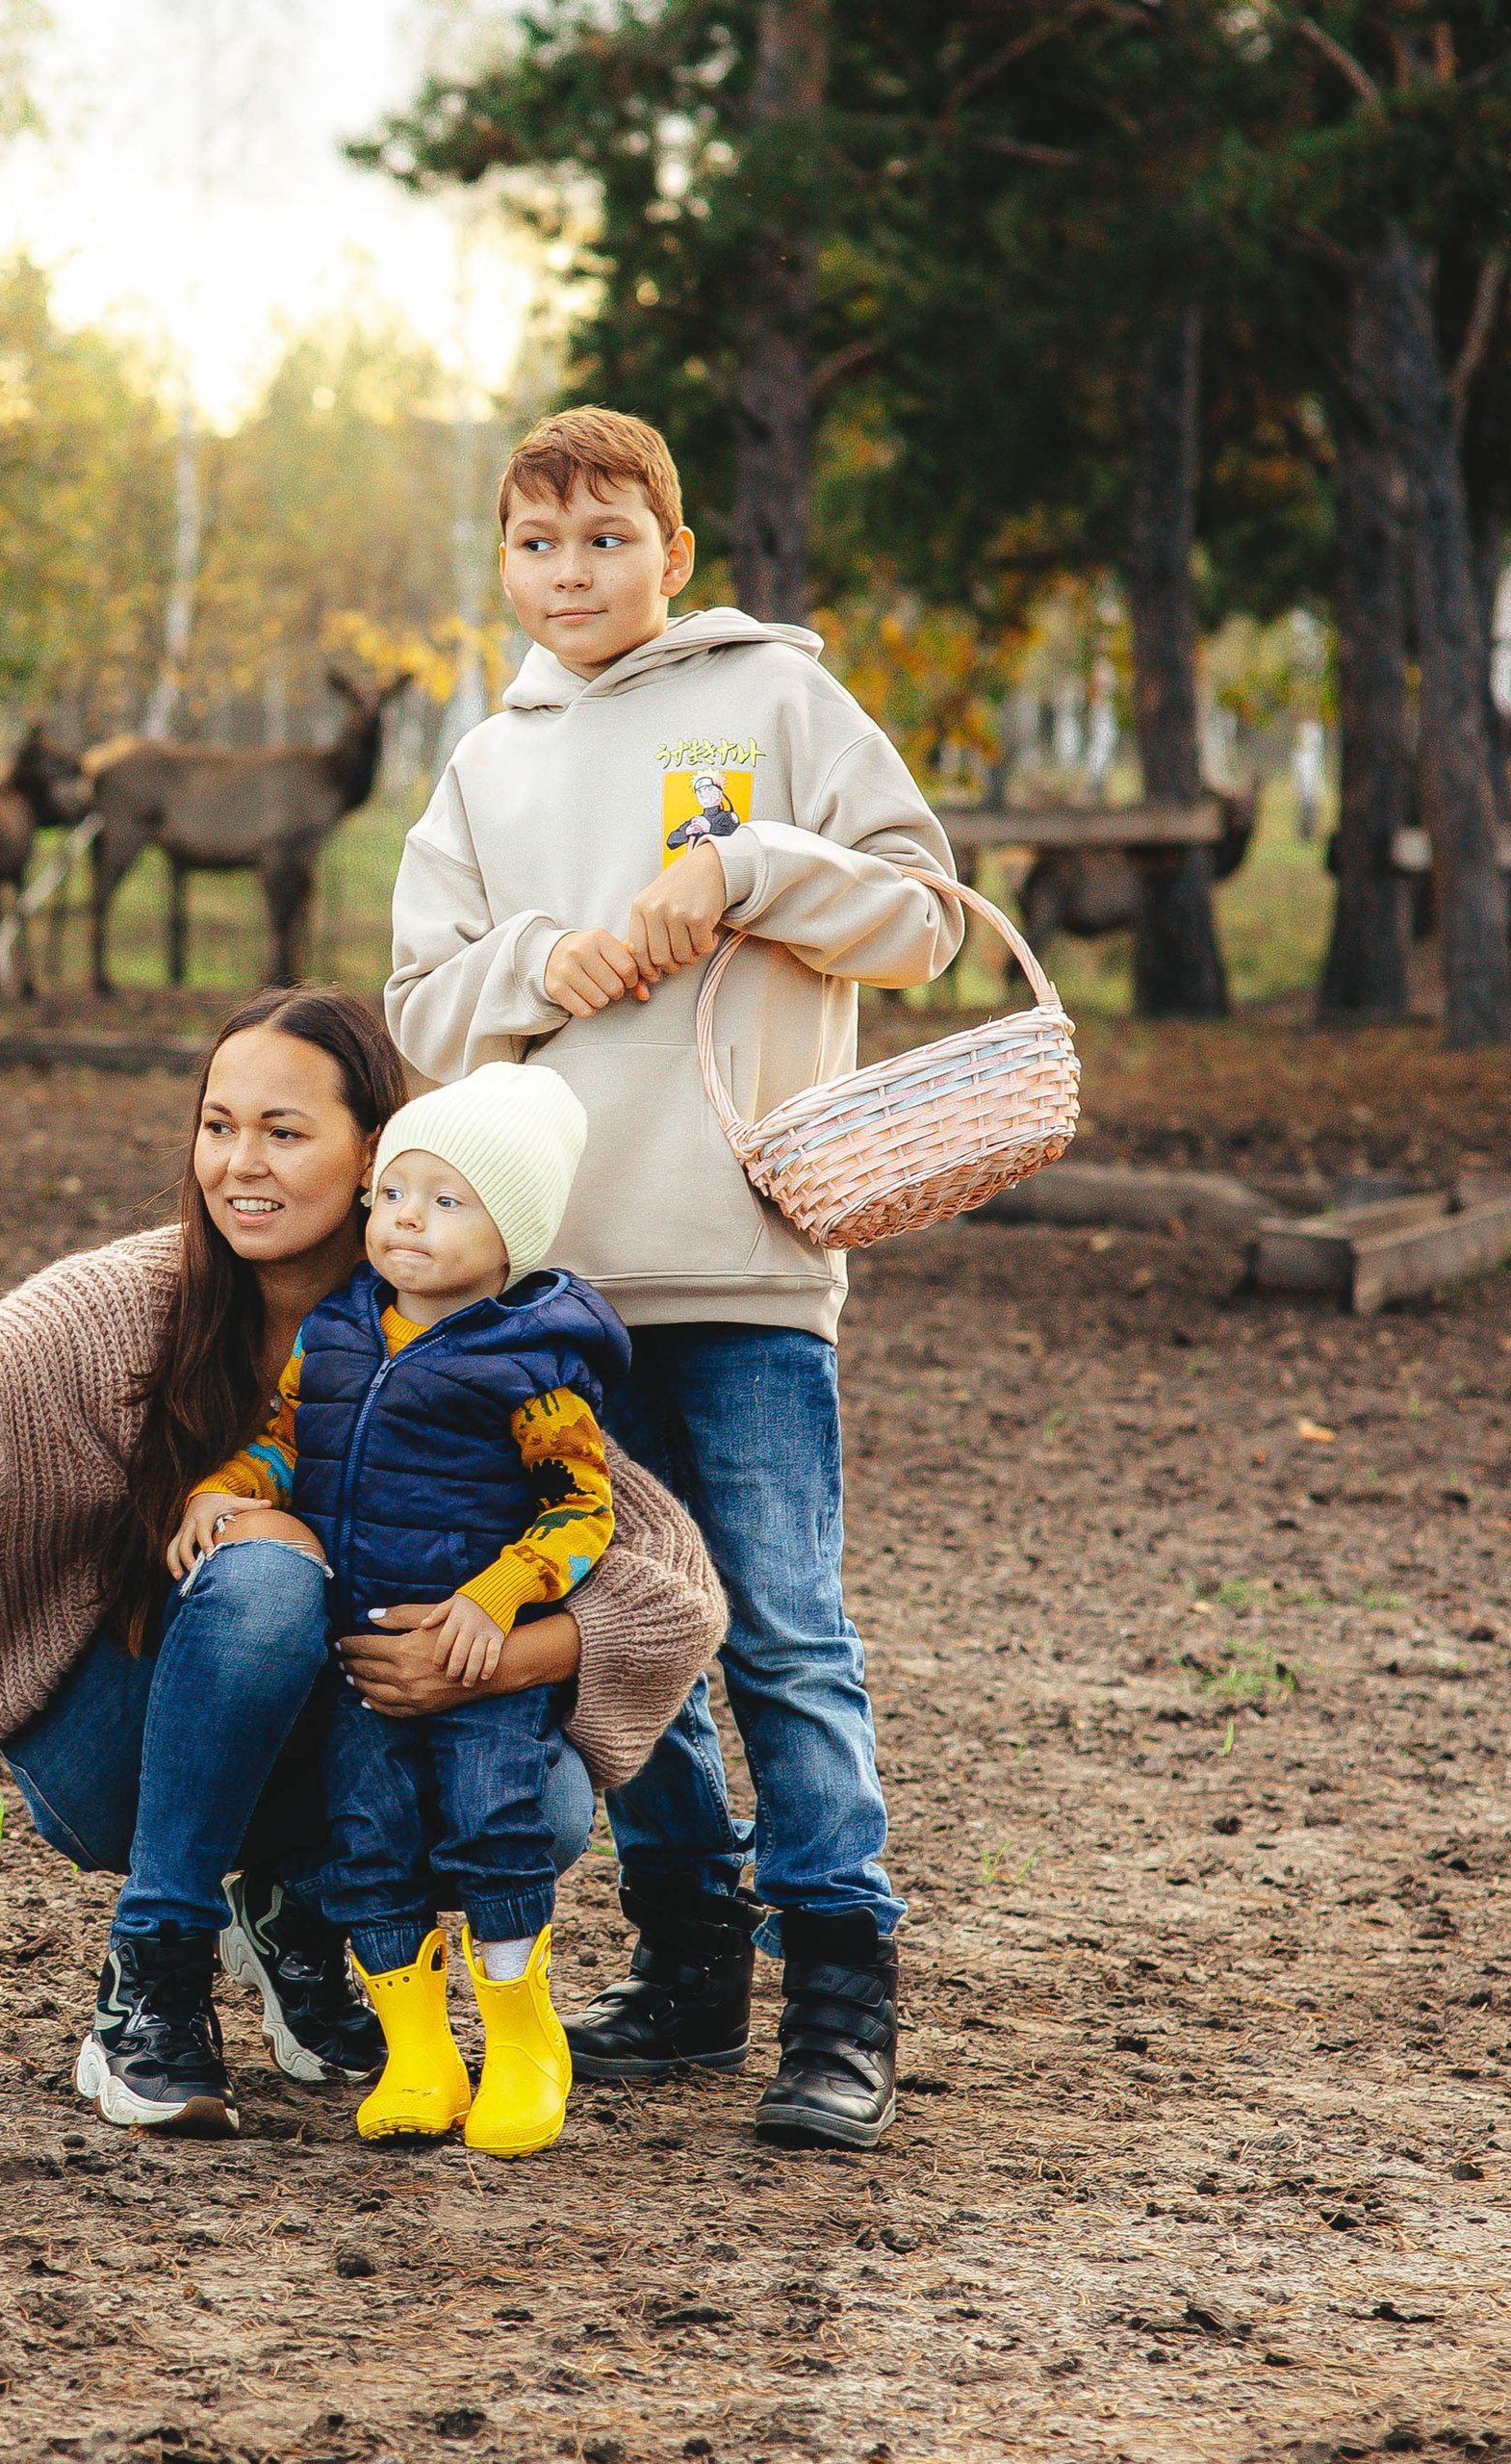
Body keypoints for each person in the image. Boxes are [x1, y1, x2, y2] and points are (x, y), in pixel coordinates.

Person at [0, 986, 727, 2141]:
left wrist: (501, 1651)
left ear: (376, 1152)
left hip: (347, 1734)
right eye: (217, 1125)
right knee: (271, 1566)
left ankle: (299, 1921)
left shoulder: (453, 1324)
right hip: (110, 1746)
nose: (239, 1162)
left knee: (543, 1791)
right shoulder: (127, 1302)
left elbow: (663, 1572)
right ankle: (154, 1971)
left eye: (284, 1130)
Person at [386, 405, 965, 2151]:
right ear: (506, 562)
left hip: (748, 1270)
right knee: (631, 1639)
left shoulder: (778, 703)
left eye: (607, 539)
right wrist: (538, 959)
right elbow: (417, 1002)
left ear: (674, 553)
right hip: (555, 1295)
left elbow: (926, 914)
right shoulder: (488, 763)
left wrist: (745, 870)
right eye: (538, 544)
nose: (572, 574)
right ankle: (696, 1968)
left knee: (784, 1632)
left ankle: (841, 2001)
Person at [172, 1063, 625, 2159]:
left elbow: (581, 1510)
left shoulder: (532, 1363)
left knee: (494, 1824)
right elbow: (292, 1441)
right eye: (394, 1195)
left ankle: (522, 2039)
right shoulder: (337, 1333)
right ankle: (416, 2045)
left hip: (472, 1657)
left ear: (508, 1233)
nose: (407, 1219)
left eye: (447, 1199)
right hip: (357, 1661)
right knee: (367, 1838)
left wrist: (495, 1601)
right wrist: (227, 1484)